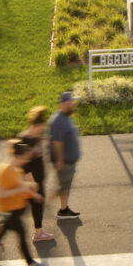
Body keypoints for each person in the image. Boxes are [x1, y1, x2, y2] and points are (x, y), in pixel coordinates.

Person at [0, 138, 44, 266]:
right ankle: (30, 262)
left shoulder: (16, 170)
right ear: (19, 156)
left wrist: (33, 193)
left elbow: (20, 186)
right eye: (26, 158)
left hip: (13, 210)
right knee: (21, 234)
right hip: (9, 211)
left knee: (1, 234)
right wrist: (22, 191)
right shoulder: (5, 171)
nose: (27, 161)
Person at [18, 105, 53, 242]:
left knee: (25, 208)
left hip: (38, 181)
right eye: (42, 127)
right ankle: (38, 233)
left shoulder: (36, 137)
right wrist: (32, 183)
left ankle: (39, 231)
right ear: (37, 125)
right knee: (24, 208)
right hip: (32, 181)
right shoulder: (25, 139)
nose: (43, 130)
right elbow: (23, 164)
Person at [49, 90, 82, 221]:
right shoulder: (58, 121)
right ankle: (44, 202)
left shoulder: (65, 117)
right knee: (62, 187)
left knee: (65, 186)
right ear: (63, 104)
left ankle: (64, 209)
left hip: (68, 161)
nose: (73, 104)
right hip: (64, 162)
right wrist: (60, 160)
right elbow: (57, 142)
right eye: (70, 102)